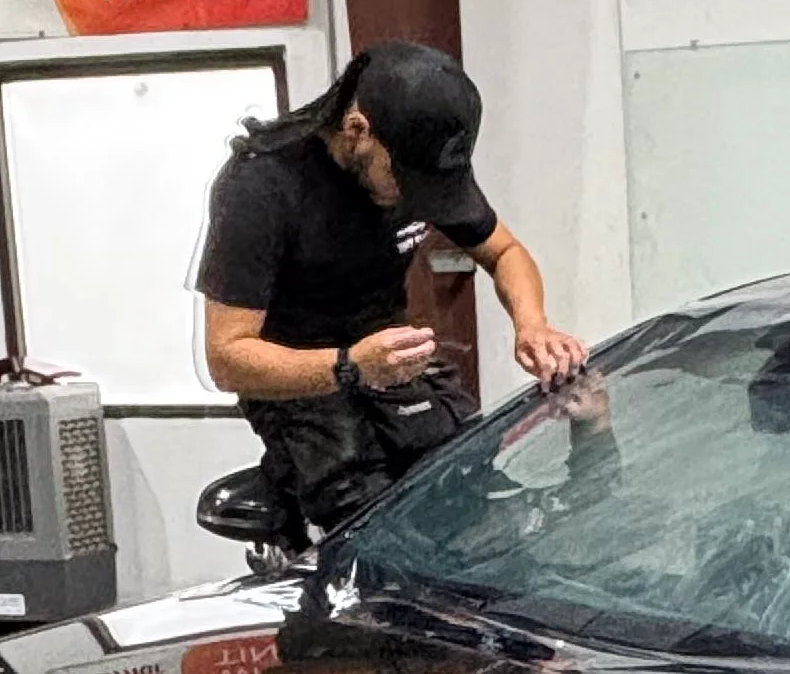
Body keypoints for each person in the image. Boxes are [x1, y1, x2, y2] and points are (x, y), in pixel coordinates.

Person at [195, 42, 586, 541]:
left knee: (477, 496)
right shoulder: (262, 187)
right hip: (301, 384)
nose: (414, 200)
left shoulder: (422, 165)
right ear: (358, 129)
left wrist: (532, 324)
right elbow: (226, 358)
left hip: (394, 363)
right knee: (374, 534)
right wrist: (349, 366)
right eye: (402, 180)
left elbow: (505, 252)